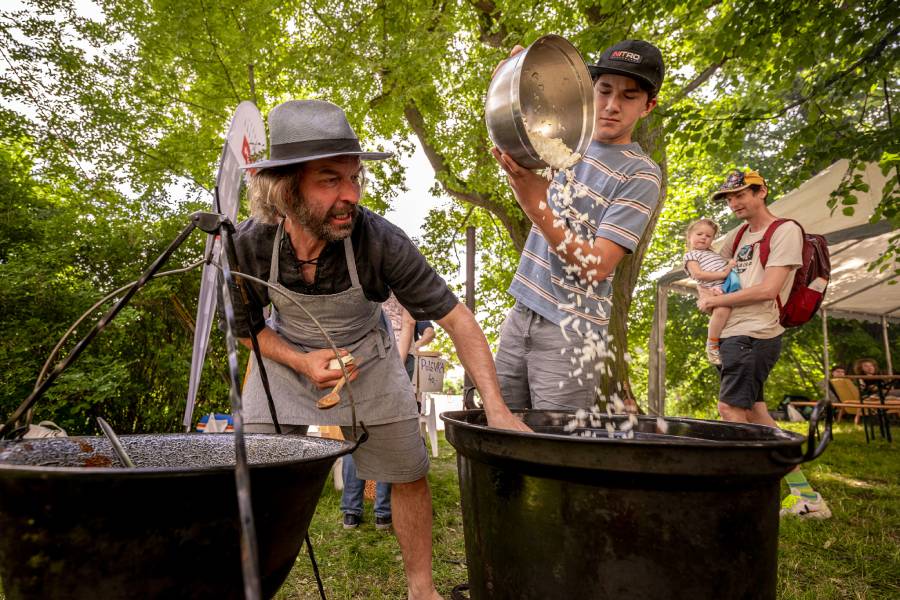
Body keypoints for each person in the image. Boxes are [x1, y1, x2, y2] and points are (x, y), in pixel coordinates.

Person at [225, 99, 528, 600]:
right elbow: (246, 330)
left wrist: (496, 409)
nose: (350, 194)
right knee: (256, 479)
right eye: (330, 180)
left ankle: (421, 590)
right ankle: (246, 589)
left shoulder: (380, 240)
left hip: (368, 358)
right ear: (284, 189)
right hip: (283, 362)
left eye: (354, 178)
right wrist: (301, 360)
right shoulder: (247, 247)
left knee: (408, 472)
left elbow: (457, 319)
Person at [491, 39, 664, 411]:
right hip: (520, 313)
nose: (612, 105)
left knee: (553, 450)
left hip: (571, 332)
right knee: (499, 427)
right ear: (590, 89)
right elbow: (519, 113)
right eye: (604, 90)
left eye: (629, 96)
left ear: (648, 106)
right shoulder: (565, 138)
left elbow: (598, 266)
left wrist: (535, 203)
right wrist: (509, 80)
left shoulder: (640, 174)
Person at [697, 169, 830, 519]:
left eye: (741, 194)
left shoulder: (785, 231)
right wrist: (704, 287)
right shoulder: (739, 235)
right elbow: (709, 265)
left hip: (754, 334)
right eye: (729, 198)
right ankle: (807, 498)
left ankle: (739, 496)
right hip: (733, 334)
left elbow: (769, 289)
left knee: (730, 410)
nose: (734, 203)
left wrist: (716, 303)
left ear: (762, 192)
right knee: (756, 414)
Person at [340, 294, 410, 531]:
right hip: (384, 363)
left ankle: (352, 512)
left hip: (359, 362)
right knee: (386, 440)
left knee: (354, 438)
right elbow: (409, 324)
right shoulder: (399, 277)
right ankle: (382, 514)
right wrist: (394, 369)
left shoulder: (362, 277)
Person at [682, 218, 739, 364]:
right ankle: (712, 343)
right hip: (714, 288)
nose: (703, 237)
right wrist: (724, 273)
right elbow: (698, 275)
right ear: (689, 236)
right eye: (699, 234)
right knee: (723, 309)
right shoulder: (691, 255)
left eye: (708, 236)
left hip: (727, 285)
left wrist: (729, 266)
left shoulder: (714, 254)